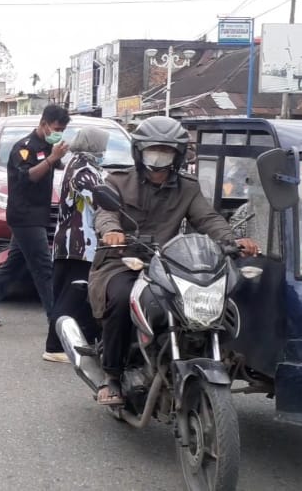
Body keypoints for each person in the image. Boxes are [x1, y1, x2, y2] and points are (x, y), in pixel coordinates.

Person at [89, 116, 260, 406]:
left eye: (166, 151)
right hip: (122, 260)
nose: (159, 156)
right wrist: (112, 231)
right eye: (153, 150)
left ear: (177, 155)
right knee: (120, 298)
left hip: (167, 264)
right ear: (139, 152)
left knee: (205, 297)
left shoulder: (187, 188)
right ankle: (113, 375)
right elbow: (105, 213)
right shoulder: (117, 181)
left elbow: (207, 218)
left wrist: (232, 241)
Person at [0, 104, 71, 330]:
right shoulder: (24, 148)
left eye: (63, 130)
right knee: (44, 266)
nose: (59, 133)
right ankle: (55, 319)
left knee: (14, 264)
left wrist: (58, 156)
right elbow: (28, 178)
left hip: (39, 214)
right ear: (44, 124)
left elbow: (59, 169)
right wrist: (51, 159)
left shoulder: (48, 145)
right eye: (56, 128)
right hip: (25, 216)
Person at [44, 127, 109, 363]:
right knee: (71, 296)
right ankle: (53, 346)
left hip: (72, 242)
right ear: (93, 145)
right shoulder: (83, 169)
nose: (105, 151)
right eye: (103, 145)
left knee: (72, 296)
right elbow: (100, 200)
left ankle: (87, 342)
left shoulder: (77, 164)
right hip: (80, 244)